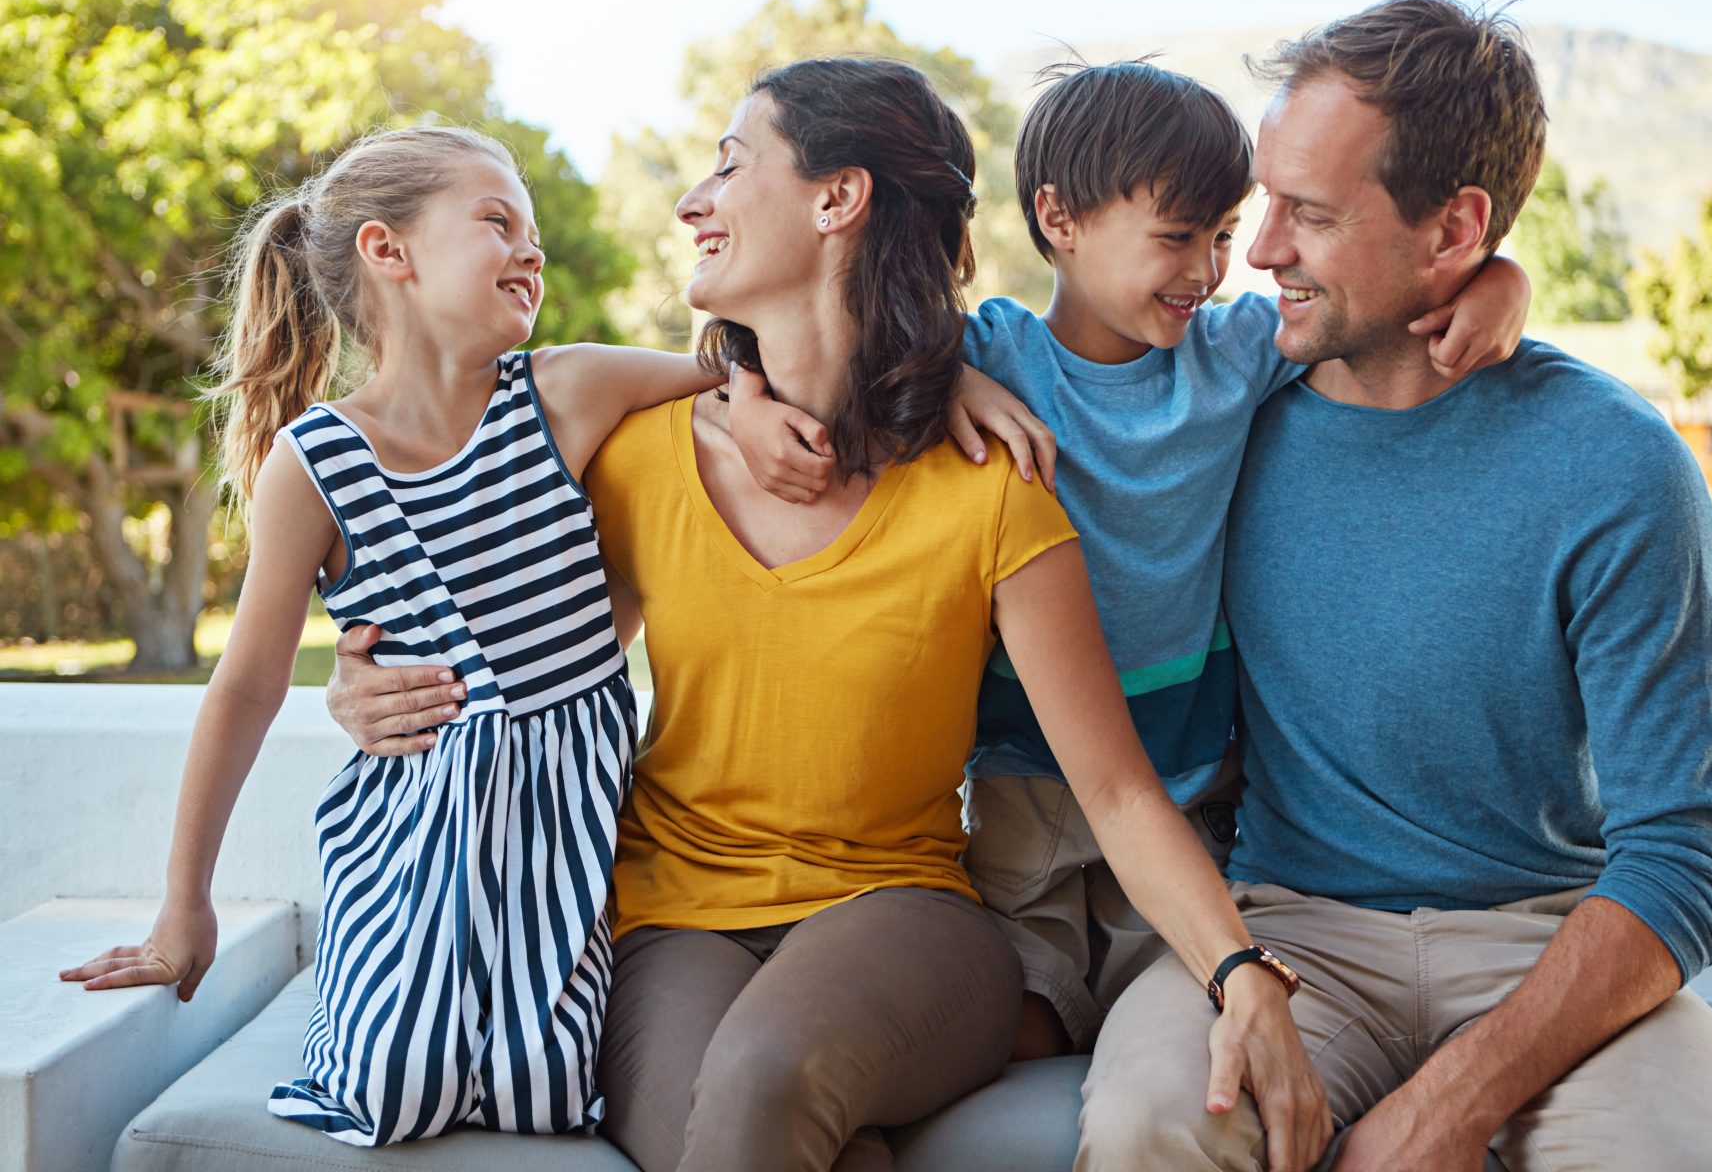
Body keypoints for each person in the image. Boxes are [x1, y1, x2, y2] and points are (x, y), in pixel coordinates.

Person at [326, 59, 1316, 1172]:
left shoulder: (989, 484)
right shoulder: (641, 458)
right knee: (771, 1134)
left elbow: (1121, 791)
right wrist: (368, 686)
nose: (694, 200)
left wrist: (1242, 973)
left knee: (761, 1081)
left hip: (913, 919)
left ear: (836, 198)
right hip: (672, 923)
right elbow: (513, 662)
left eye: (730, 165)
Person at [734, 58, 1531, 1071]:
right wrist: (745, 392)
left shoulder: (1234, 351)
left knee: (1164, 1010)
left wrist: (1505, 282)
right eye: (1176, 236)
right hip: (1027, 775)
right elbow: (803, 341)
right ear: (1059, 218)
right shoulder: (988, 355)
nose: (1207, 268)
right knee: (1022, 1012)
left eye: (1223, 237)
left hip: (1192, 782)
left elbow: (1379, 302)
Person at [1075, 0, 1712, 1172]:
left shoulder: (1617, 466)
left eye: (1310, 215)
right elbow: (1030, 351)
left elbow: (1686, 856)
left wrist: (1451, 1104)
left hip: (1547, 933)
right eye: (1265, 201)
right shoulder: (1223, 413)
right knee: (1149, 1130)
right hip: (1285, 926)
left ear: (1456, 233)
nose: (1260, 252)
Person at [57, 125, 777, 1146]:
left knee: (543, 1083)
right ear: (387, 252)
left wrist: (797, 401)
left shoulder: (568, 391)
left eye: (533, 231)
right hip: (413, 841)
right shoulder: (314, 465)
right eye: (497, 222)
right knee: (394, 1082)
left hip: (564, 844)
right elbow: (247, 687)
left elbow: (737, 366)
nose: (532, 250)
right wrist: (186, 907)